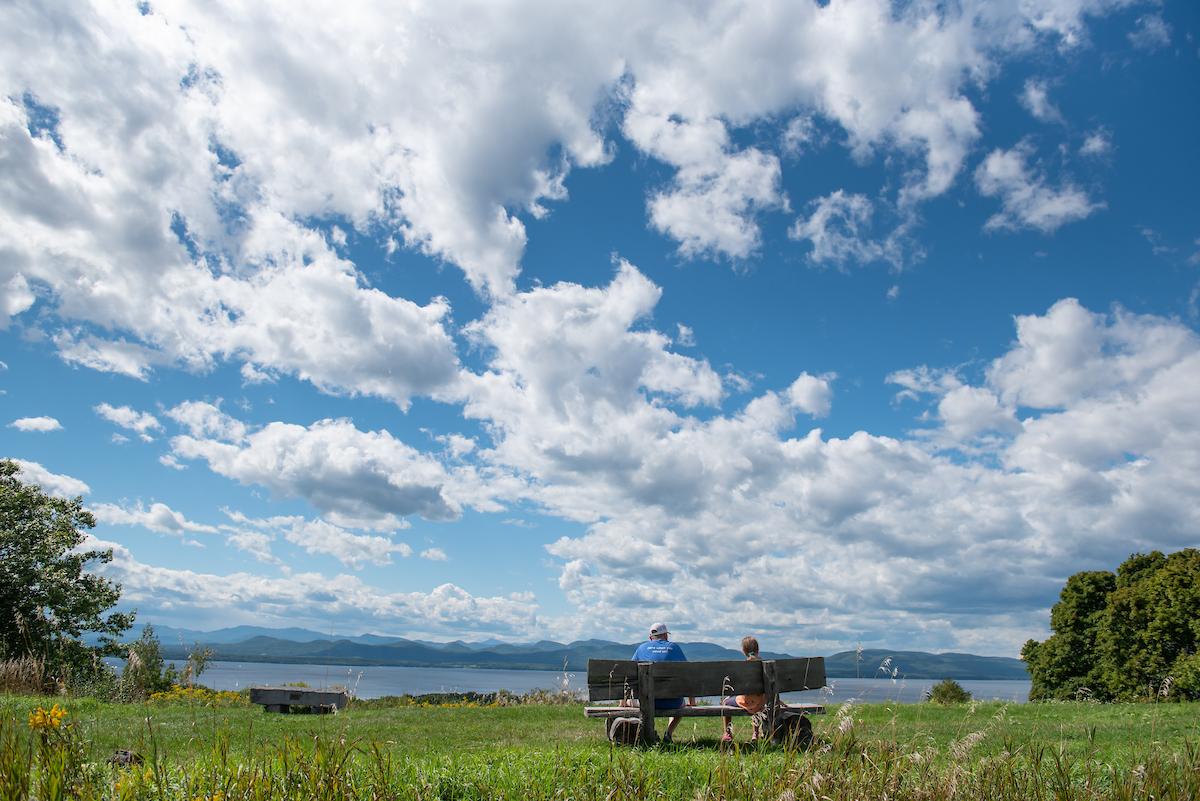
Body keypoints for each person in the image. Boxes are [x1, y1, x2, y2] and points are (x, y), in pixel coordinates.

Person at [631, 622, 693, 743]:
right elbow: (688, 674)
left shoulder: (641, 648)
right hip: (672, 703)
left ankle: (647, 732)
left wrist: (622, 702)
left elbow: (629, 675)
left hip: (645, 702)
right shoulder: (674, 648)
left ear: (650, 638)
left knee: (630, 702)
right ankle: (668, 733)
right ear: (666, 636)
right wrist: (692, 702)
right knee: (682, 703)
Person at [721, 635, 769, 744]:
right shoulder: (764, 665)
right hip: (761, 702)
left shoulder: (742, 667)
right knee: (756, 699)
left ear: (743, 651)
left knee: (725, 702)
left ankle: (727, 733)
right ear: (758, 650)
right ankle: (755, 733)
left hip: (746, 701)